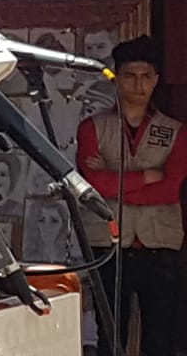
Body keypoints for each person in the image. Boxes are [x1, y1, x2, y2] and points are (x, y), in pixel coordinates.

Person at [78, 36, 185, 356]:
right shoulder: (92, 127)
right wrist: (149, 176)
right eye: (129, 75)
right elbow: (94, 185)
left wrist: (116, 183)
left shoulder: (176, 130)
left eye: (145, 76)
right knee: (110, 337)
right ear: (117, 77)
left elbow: (173, 188)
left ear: (156, 79)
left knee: (161, 337)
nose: (138, 85)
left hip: (160, 244)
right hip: (107, 244)